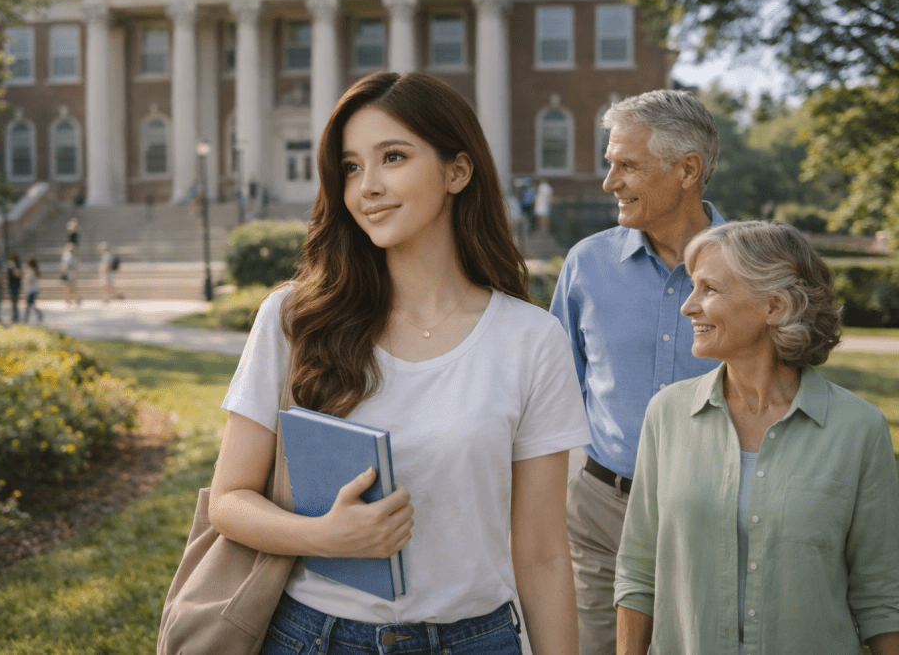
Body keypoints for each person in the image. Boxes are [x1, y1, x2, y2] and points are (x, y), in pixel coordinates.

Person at [210, 72, 590, 655]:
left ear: (457, 172)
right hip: (318, 637)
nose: (368, 187)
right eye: (352, 167)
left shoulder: (530, 339)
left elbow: (540, 551)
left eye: (393, 157)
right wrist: (324, 537)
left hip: (478, 640)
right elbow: (228, 500)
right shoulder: (294, 318)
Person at [615, 220, 899, 655]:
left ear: (775, 305)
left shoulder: (859, 431)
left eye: (709, 289)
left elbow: (881, 599)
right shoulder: (667, 415)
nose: (689, 306)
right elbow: (637, 576)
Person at [549, 89, 724, 655]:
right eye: (610, 164)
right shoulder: (587, 264)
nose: (609, 182)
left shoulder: (756, 270)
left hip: (717, 510)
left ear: (687, 170)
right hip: (602, 515)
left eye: (627, 165)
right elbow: (554, 393)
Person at [23, 256, 42, 323]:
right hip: (34, 290)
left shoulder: (31, 271)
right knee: (31, 305)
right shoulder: (35, 270)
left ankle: (26, 318)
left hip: (31, 290)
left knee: (29, 305)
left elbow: (28, 280)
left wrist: (25, 277)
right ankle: (28, 317)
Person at [60, 241, 79, 305]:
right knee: (71, 286)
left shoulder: (68, 255)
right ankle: (73, 298)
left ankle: (69, 298)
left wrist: (63, 272)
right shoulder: (73, 255)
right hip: (72, 272)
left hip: (69, 272)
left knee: (69, 286)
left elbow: (66, 264)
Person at [6, 250, 22, 323]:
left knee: (15, 301)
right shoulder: (9, 265)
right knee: (13, 301)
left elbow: (17, 274)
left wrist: (14, 266)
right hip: (11, 284)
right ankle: (15, 315)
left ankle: (15, 316)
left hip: (16, 285)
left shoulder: (17, 265)